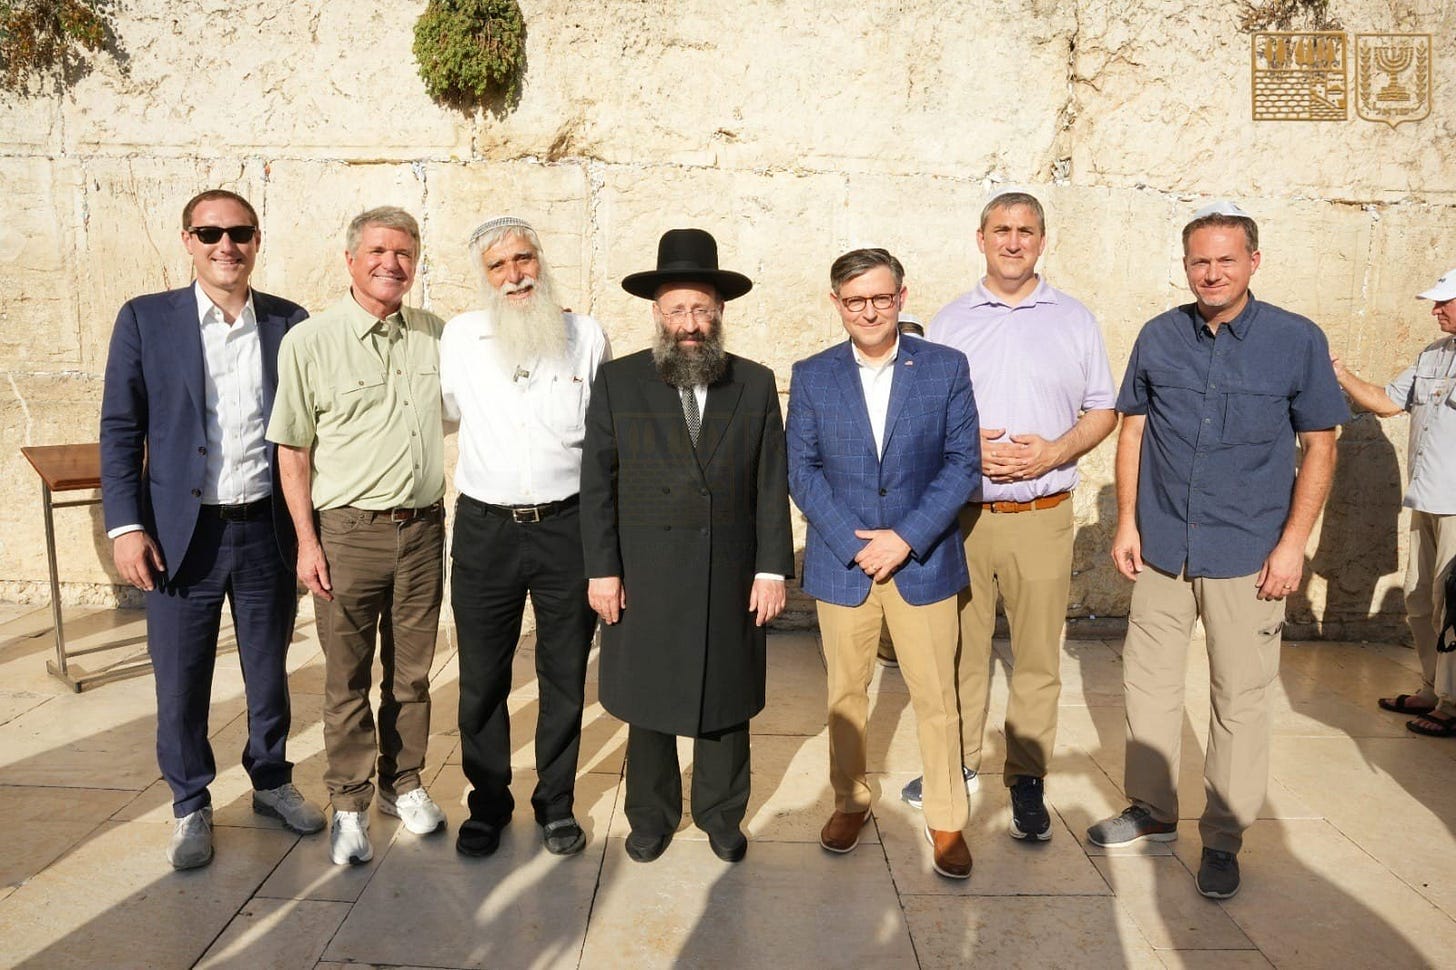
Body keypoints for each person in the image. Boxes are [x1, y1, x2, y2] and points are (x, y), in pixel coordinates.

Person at [1088, 201, 1347, 900]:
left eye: (1225, 259)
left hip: (1250, 553)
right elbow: (1134, 433)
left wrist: (1294, 545)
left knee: (1240, 699)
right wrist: (1127, 524)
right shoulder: (1159, 336)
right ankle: (1152, 812)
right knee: (1147, 686)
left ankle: (1225, 838)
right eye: (1199, 260)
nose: (1211, 272)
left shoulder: (1295, 340)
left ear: (1253, 262)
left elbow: (1320, 444)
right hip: (1165, 545)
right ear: (1186, 265)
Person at [100, 188, 326, 869]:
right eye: (210, 233)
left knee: (269, 670)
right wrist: (126, 526)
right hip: (178, 536)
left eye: (240, 233)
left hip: (265, 530)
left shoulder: (290, 322)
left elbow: (311, 431)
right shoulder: (146, 320)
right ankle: (191, 801)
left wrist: (312, 529)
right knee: (182, 676)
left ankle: (272, 779)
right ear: (187, 241)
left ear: (258, 240)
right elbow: (119, 430)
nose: (225, 245)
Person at [581, 228, 793, 865]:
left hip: (729, 570)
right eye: (677, 310)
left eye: (701, 309)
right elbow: (598, 482)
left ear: (720, 312)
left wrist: (771, 568)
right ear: (656, 314)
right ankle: (649, 815)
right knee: (647, 699)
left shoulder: (753, 384)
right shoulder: (619, 382)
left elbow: (770, 481)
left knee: (726, 697)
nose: (689, 324)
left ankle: (722, 813)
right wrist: (602, 571)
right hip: (645, 572)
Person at [913, 190, 1116, 841]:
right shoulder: (949, 322)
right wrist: (963, 447)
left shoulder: (1075, 321)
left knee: (1035, 659)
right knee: (960, 652)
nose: (1013, 241)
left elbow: (1103, 409)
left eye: (1025, 230)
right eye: (1001, 230)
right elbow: (922, 415)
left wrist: (1054, 450)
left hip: (1042, 517)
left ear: (1042, 241)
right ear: (981, 239)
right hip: (963, 518)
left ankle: (1026, 781)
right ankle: (960, 767)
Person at [787, 247, 980, 880]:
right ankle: (850, 799)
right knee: (846, 693)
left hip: (921, 560)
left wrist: (904, 537)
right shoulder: (813, 375)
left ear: (901, 296)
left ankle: (947, 817)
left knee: (936, 695)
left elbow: (961, 464)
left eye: (880, 297)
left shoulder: (946, 368)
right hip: (844, 564)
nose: (868, 310)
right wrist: (853, 540)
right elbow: (802, 471)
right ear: (836, 303)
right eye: (854, 300)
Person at [268, 206, 448, 866]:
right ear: (350, 260)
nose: (390, 263)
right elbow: (292, 450)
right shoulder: (309, 342)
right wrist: (307, 542)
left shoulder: (435, 335)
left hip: (425, 530)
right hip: (347, 533)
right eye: (377, 250)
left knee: (413, 677)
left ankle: (403, 786)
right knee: (346, 679)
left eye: (403, 252)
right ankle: (348, 802)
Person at [440, 216, 610, 858]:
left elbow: (603, 439)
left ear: (541, 259)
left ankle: (556, 805)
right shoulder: (460, 336)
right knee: (482, 677)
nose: (514, 275)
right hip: (486, 529)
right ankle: (486, 805)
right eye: (498, 265)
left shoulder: (585, 334)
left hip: (566, 527)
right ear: (483, 277)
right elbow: (443, 412)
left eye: (523, 258)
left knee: (564, 673)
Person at [1332, 268, 1456, 736]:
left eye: (1445, 301)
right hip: (1427, 497)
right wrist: (1339, 373)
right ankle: (1432, 686)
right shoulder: (1432, 354)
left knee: (1453, 605)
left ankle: (1452, 701)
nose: (1435, 309)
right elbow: (1386, 402)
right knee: (1420, 598)